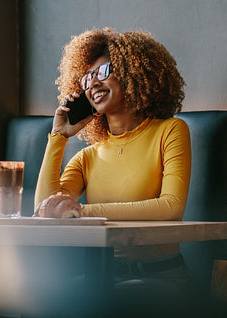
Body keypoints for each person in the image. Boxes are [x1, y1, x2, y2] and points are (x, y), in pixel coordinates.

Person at [34, 27, 194, 317]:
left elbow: (171, 207)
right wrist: (58, 136)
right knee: (38, 300)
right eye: (86, 78)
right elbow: (45, 209)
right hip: (101, 277)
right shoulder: (88, 156)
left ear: (132, 73)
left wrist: (82, 213)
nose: (93, 82)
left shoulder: (170, 131)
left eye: (103, 70)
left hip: (160, 277)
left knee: (99, 303)